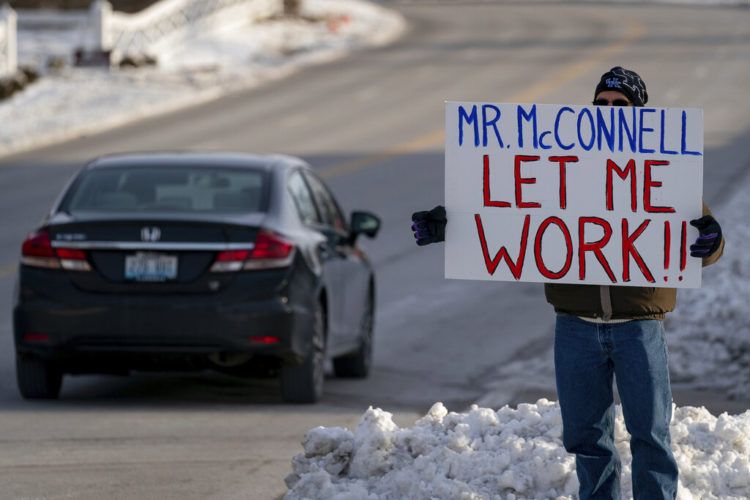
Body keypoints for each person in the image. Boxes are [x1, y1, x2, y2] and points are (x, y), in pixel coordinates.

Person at [410, 67, 724, 500]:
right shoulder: (568, 165)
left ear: (641, 114)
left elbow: (701, 237)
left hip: (639, 326)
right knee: (586, 439)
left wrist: (711, 239)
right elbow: (505, 205)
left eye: (622, 105)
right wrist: (450, 225)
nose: (611, 112)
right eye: (603, 103)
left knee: (651, 436)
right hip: (575, 326)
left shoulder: (663, 167)